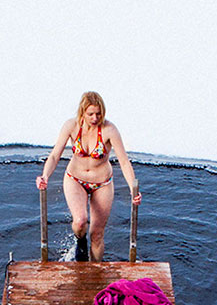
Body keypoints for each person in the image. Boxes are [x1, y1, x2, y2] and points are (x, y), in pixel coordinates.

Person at [38, 91, 140, 262]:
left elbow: (124, 162)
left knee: (97, 234)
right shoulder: (71, 126)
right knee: (80, 222)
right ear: (82, 112)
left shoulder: (109, 130)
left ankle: (95, 273)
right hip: (75, 179)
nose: (95, 118)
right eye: (90, 114)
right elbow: (55, 155)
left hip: (102, 183)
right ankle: (80, 241)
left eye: (98, 114)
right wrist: (45, 176)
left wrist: (133, 189)